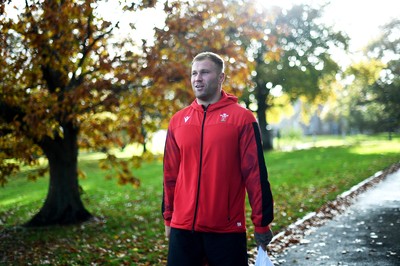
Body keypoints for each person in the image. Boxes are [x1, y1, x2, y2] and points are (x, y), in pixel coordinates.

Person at [162, 51, 274, 266]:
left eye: (204, 72)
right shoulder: (178, 121)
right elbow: (170, 175)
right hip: (183, 230)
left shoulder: (242, 119)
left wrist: (261, 223)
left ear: (221, 78)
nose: (197, 78)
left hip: (226, 230)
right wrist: (169, 217)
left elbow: (255, 175)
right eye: (194, 73)